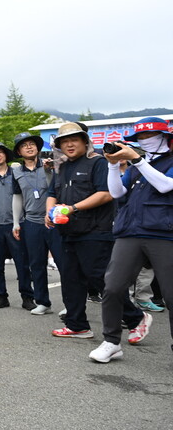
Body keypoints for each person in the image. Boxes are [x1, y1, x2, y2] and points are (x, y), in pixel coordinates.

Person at [47, 122, 140, 339]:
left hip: (95, 231)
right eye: (64, 142)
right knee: (71, 279)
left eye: (74, 140)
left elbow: (107, 194)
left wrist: (72, 208)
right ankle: (77, 325)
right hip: (68, 231)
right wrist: (49, 211)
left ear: (85, 141)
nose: (69, 145)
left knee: (100, 279)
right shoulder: (62, 166)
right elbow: (52, 192)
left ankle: (136, 318)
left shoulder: (98, 163)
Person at [91, 117, 172, 363]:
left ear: (165, 137)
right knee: (113, 287)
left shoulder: (159, 162)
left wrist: (137, 159)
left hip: (164, 233)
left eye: (149, 136)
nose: (144, 142)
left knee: (171, 295)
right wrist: (114, 165)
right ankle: (111, 341)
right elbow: (116, 193)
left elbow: (166, 186)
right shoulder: (138, 166)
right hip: (129, 233)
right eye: (140, 139)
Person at [10, 132, 62, 316]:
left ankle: (72, 304)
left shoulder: (51, 165)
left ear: (38, 148)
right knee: (36, 263)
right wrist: (16, 222)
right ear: (19, 151)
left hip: (54, 220)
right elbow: (17, 197)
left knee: (64, 263)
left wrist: (50, 170)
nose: (29, 147)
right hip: (31, 221)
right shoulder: (16, 172)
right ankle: (42, 302)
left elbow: (55, 189)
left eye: (32, 144)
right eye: (24, 145)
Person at [0, 141, 34, 310]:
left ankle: (27, 296)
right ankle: (1, 295)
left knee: (22, 262)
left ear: (6, 155)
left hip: (16, 224)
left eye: (0, 152)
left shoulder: (17, 173)